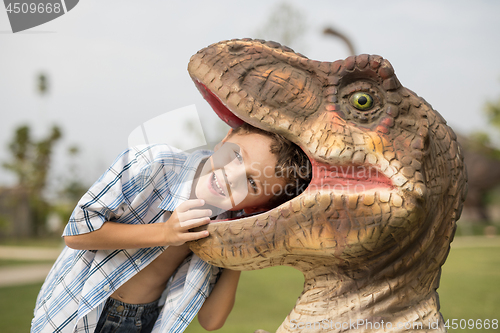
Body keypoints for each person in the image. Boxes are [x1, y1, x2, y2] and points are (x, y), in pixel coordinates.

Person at [31, 123, 311, 333]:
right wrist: (165, 233)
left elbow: (212, 320)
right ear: (224, 139)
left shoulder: (230, 225)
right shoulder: (152, 163)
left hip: (140, 322)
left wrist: (240, 250)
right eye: (237, 155)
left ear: (259, 205)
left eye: (252, 183)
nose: (231, 176)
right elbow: (76, 235)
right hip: (77, 308)